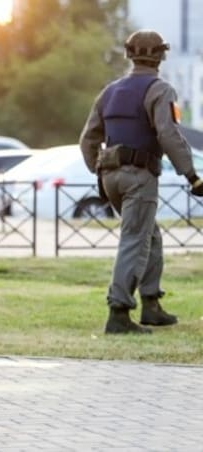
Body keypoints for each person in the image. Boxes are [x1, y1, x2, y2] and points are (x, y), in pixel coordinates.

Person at [80, 30, 203, 335]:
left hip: (111, 176)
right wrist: (191, 175)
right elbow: (168, 134)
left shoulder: (108, 92)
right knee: (135, 239)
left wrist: (99, 172)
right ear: (161, 56)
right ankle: (118, 312)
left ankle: (151, 305)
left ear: (129, 54)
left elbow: (87, 140)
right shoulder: (160, 90)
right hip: (139, 177)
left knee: (150, 236)